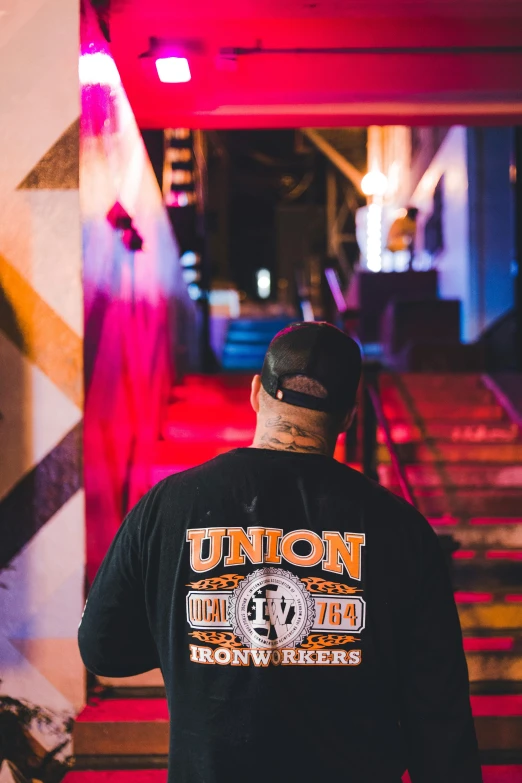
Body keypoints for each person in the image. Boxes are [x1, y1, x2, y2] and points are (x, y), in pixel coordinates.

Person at [78, 322, 482, 783]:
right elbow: (439, 715)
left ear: (255, 393)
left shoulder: (167, 505)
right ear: (350, 415)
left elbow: (102, 649)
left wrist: (200, 643)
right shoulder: (401, 528)